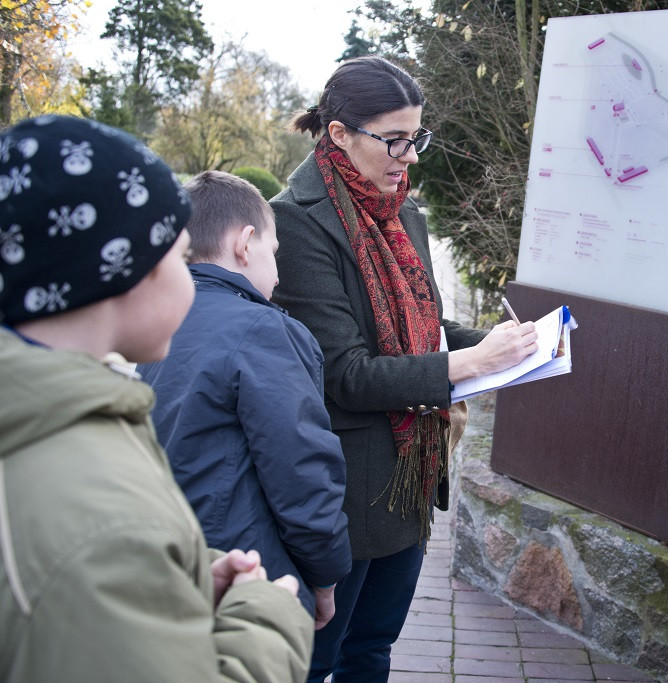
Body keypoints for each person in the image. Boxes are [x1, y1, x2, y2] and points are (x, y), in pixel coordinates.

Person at [0, 116, 312, 680]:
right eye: (181, 254)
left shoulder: (70, 415)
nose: (190, 275)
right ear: (124, 272)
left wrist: (178, 581)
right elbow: (106, 549)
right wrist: (267, 615)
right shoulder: (98, 516)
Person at [271, 56, 539, 682]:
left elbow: (426, 327)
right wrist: (468, 362)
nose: (409, 155)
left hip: (411, 473)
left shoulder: (402, 211)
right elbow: (347, 373)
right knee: (318, 660)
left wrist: (512, 344)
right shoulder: (295, 222)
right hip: (347, 487)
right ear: (338, 133)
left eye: (417, 137)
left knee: (374, 650)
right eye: (394, 139)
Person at [137, 170, 351, 627]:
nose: (276, 273)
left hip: (159, 560)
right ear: (245, 242)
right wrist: (326, 576)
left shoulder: (148, 320)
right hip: (239, 574)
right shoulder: (265, 332)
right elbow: (301, 469)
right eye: (274, 254)